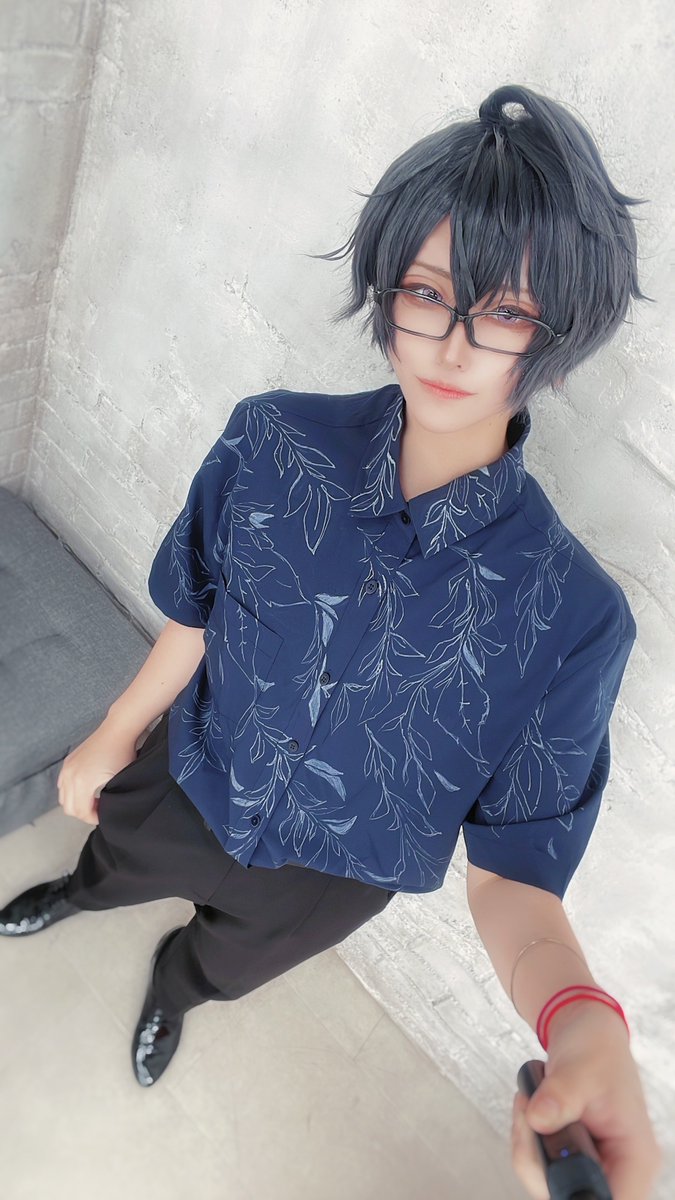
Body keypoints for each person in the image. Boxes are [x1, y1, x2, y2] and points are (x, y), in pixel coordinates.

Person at [0, 83, 663, 1198]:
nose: (451, 343)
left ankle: (174, 990)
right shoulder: (272, 444)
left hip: (333, 877)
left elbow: (515, 873)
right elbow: (198, 605)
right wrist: (114, 730)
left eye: (504, 312)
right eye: (427, 293)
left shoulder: (572, 617)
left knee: (224, 961)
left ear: (559, 338)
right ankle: (80, 893)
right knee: (113, 860)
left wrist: (579, 1017)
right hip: (194, 772)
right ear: (388, 287)